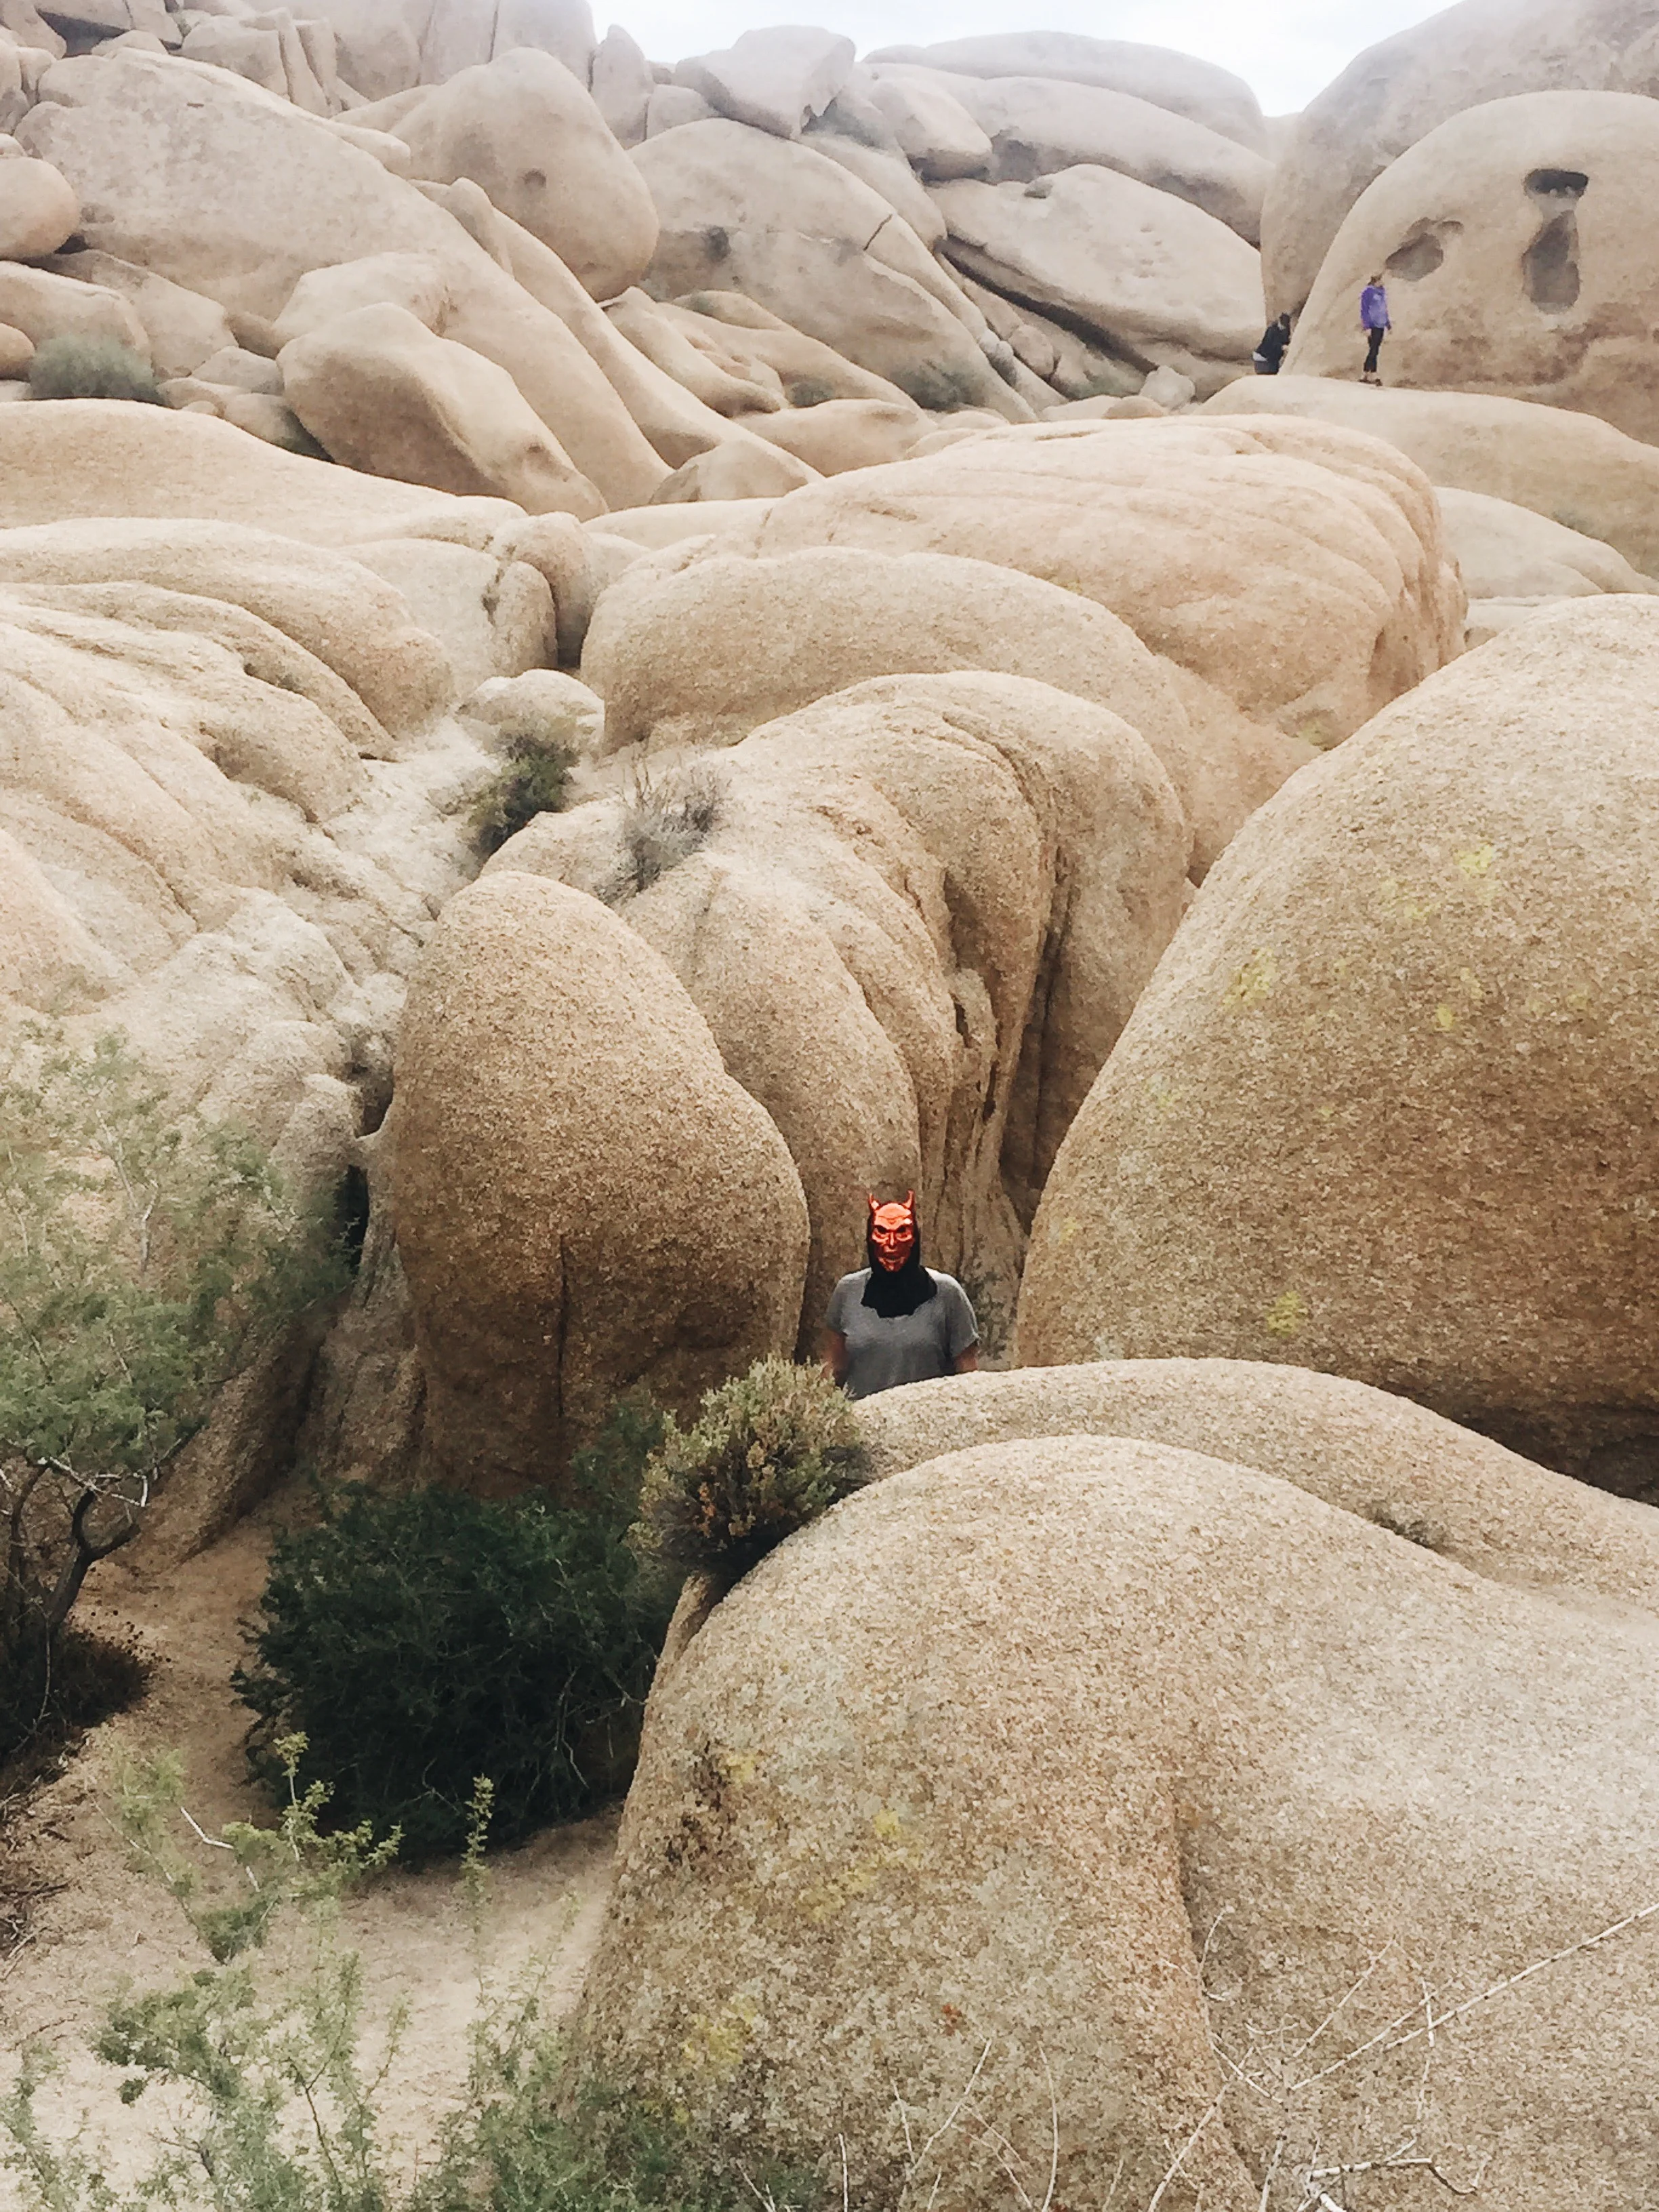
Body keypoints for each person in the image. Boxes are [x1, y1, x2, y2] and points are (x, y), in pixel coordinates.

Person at [822, 1192, 979, 1401]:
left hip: (925, 1417)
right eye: (882, 1232)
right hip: (862, 1418)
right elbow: (834, 1368)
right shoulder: (848, 1291)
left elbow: (968, 1375)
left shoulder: (948, 1294)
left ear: (914, 1237)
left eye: (901, 1232)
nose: (891, 1243)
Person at [1359, 274, 1391, 384]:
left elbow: (1383, 309)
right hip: (1372, 325)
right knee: (1374, 349)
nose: (1383, 282)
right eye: (1381, 280)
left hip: (1380, 324)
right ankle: (1373, 374)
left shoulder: (1382, 293)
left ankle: (1366, 373)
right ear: (1376, 281)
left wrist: (1388, 323)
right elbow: (1364, 309)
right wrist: (1366, 326)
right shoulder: (1368, 292)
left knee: (1375, 349)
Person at [1253, 311, 1291, 375]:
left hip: (1274, 358)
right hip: (1264, 356)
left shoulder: (1286, 330)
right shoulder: (1271, 330)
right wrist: (1281, 347)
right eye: (1282, 325)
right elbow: (1269, 344)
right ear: (1279, 322)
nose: (1283, 327)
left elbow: (1286, 340)